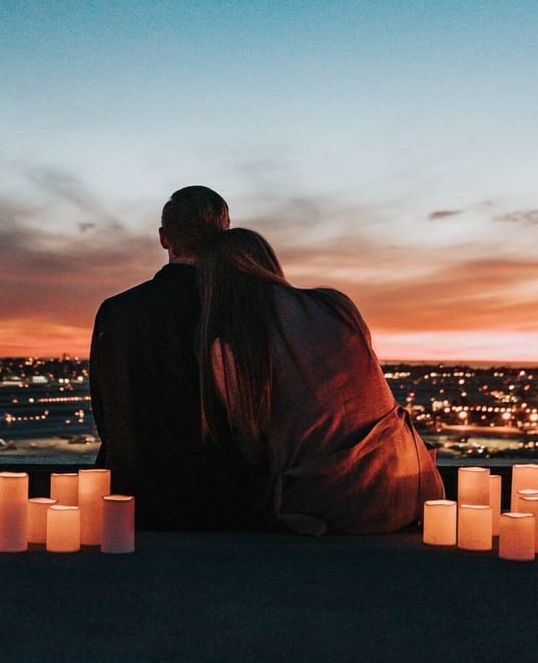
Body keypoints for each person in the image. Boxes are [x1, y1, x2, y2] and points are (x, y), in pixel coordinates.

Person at [197, 228, 444, 535]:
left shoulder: (233, 345)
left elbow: (252, 447)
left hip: (335, 503)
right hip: (413, 485)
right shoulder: (336, 305)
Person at [90, 186, 253, 530]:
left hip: (130, 498)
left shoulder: (115, 312)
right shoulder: (240, 310)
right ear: (224, 237)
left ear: (164, 238)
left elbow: (107, 413)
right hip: (220, 501)